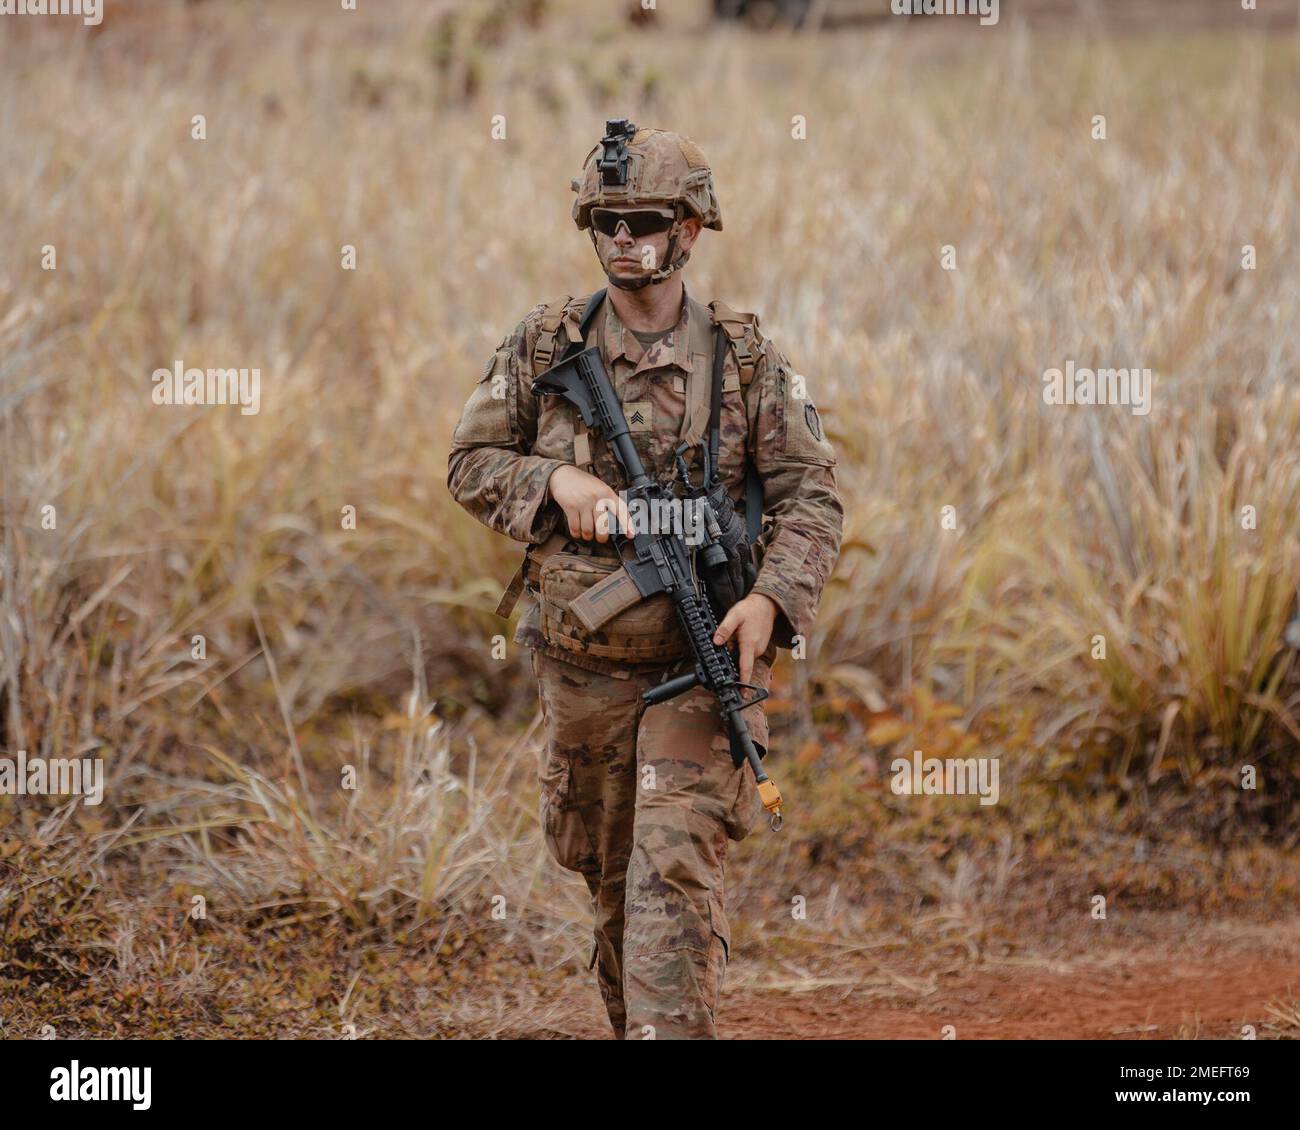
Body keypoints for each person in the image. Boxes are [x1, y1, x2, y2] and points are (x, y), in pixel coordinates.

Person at [447, 121, 843, 1039]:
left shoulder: (744, 363)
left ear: (690, 229)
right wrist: (555, 480)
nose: (624, 237)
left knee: (668, 879)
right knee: (614, 892)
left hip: (700, 668)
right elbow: (468, 463)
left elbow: (813, 495)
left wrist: (769, 600)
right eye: (607, 221)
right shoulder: (545, 347)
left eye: (645, 219)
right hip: (583, 670)